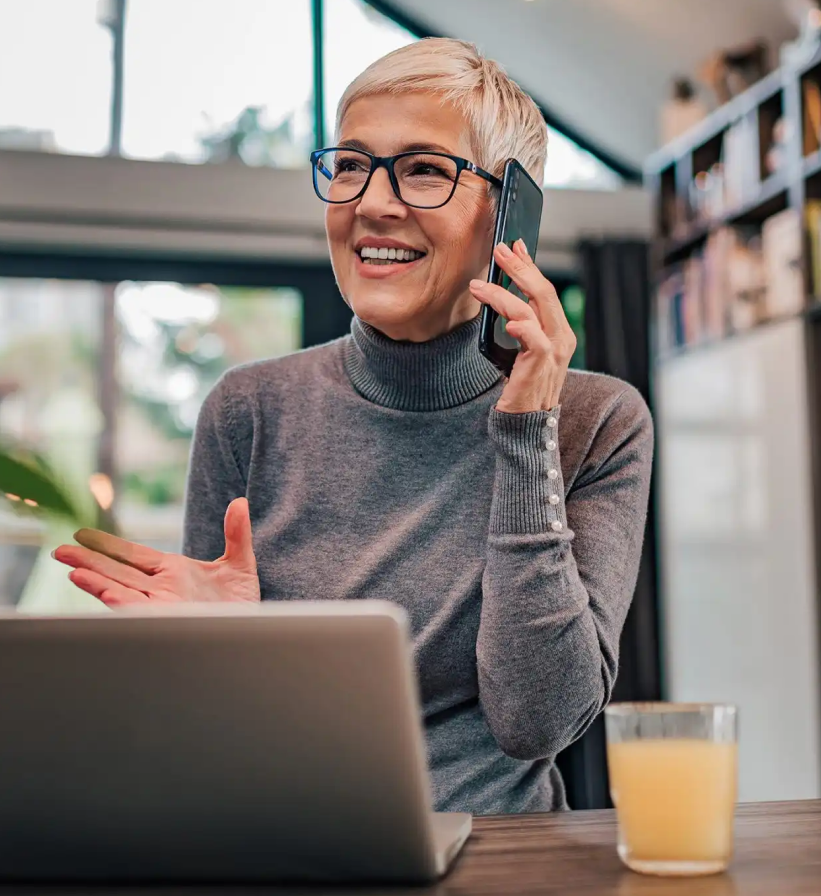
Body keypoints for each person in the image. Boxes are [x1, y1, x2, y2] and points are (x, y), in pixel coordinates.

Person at [52, 38, 654, 816]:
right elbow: (202, 743)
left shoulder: (595, 422)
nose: (373, 202)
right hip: (286, 851)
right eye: (350, 165)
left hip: (501, 859)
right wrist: (229, 658)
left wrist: (526, 432)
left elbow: (537, 721)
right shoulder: (247, 411)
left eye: (425, 170)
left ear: (513, 216)